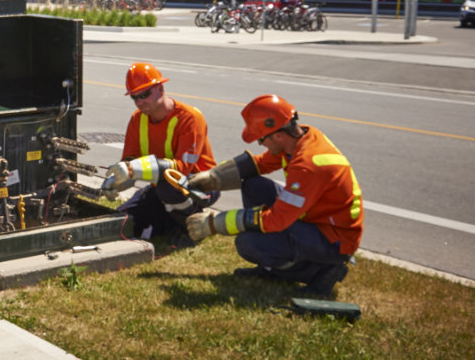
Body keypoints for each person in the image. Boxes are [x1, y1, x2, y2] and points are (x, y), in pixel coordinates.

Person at [185, 95, 363, 296]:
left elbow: (277, 220)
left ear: (277, 135)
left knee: (249, 243)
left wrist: (215, 223)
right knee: (253, 185)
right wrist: (213, 176)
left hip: (334, 239)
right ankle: (271, 269)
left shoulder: (308, 165)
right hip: (315, 218)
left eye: (261, 138)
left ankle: (322, 272)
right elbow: (261, 163)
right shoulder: (301, 137)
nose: (260, 144)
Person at [101, 62, 217, 242]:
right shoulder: (137, 119)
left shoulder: (190, 118)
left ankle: (190, 225)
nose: (140, 102)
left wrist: (132, 169)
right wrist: (117, 182)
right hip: (161, 185)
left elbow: (182, 169)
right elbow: (130, 161)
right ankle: (167, 220)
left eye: (144, 94)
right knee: (122, 220)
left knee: (168, 189)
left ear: (160, 89)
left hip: (202, 184)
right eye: (134, 97)